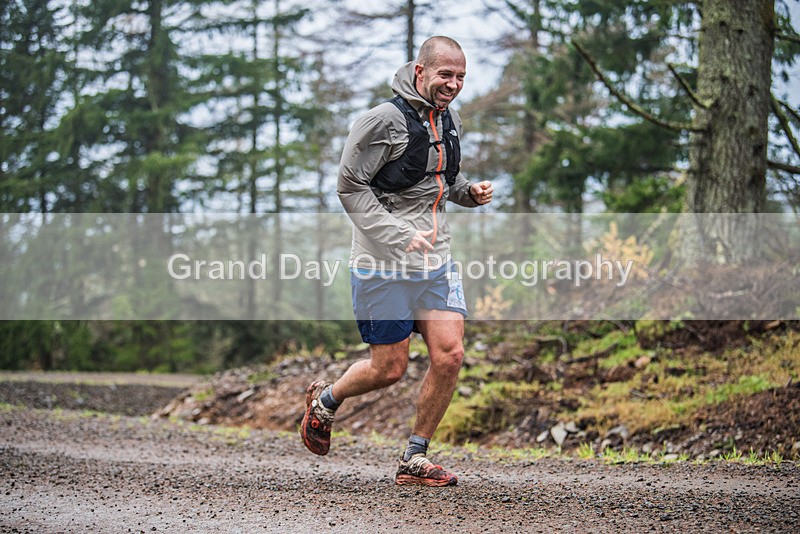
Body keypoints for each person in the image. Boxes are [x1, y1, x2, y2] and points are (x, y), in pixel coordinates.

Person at [300, 36, 493, 487]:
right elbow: (349, 187)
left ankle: (414, 456)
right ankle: (326, 401)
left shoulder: (450, 119)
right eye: (446, 74)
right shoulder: (381, 121)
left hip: (435, 259)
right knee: (389, 369)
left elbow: (444, 177)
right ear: (420, 71)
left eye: (461, 76)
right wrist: (397, 237)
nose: (454, 84)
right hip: (380, 261)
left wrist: (468, 193)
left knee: (450, 354)